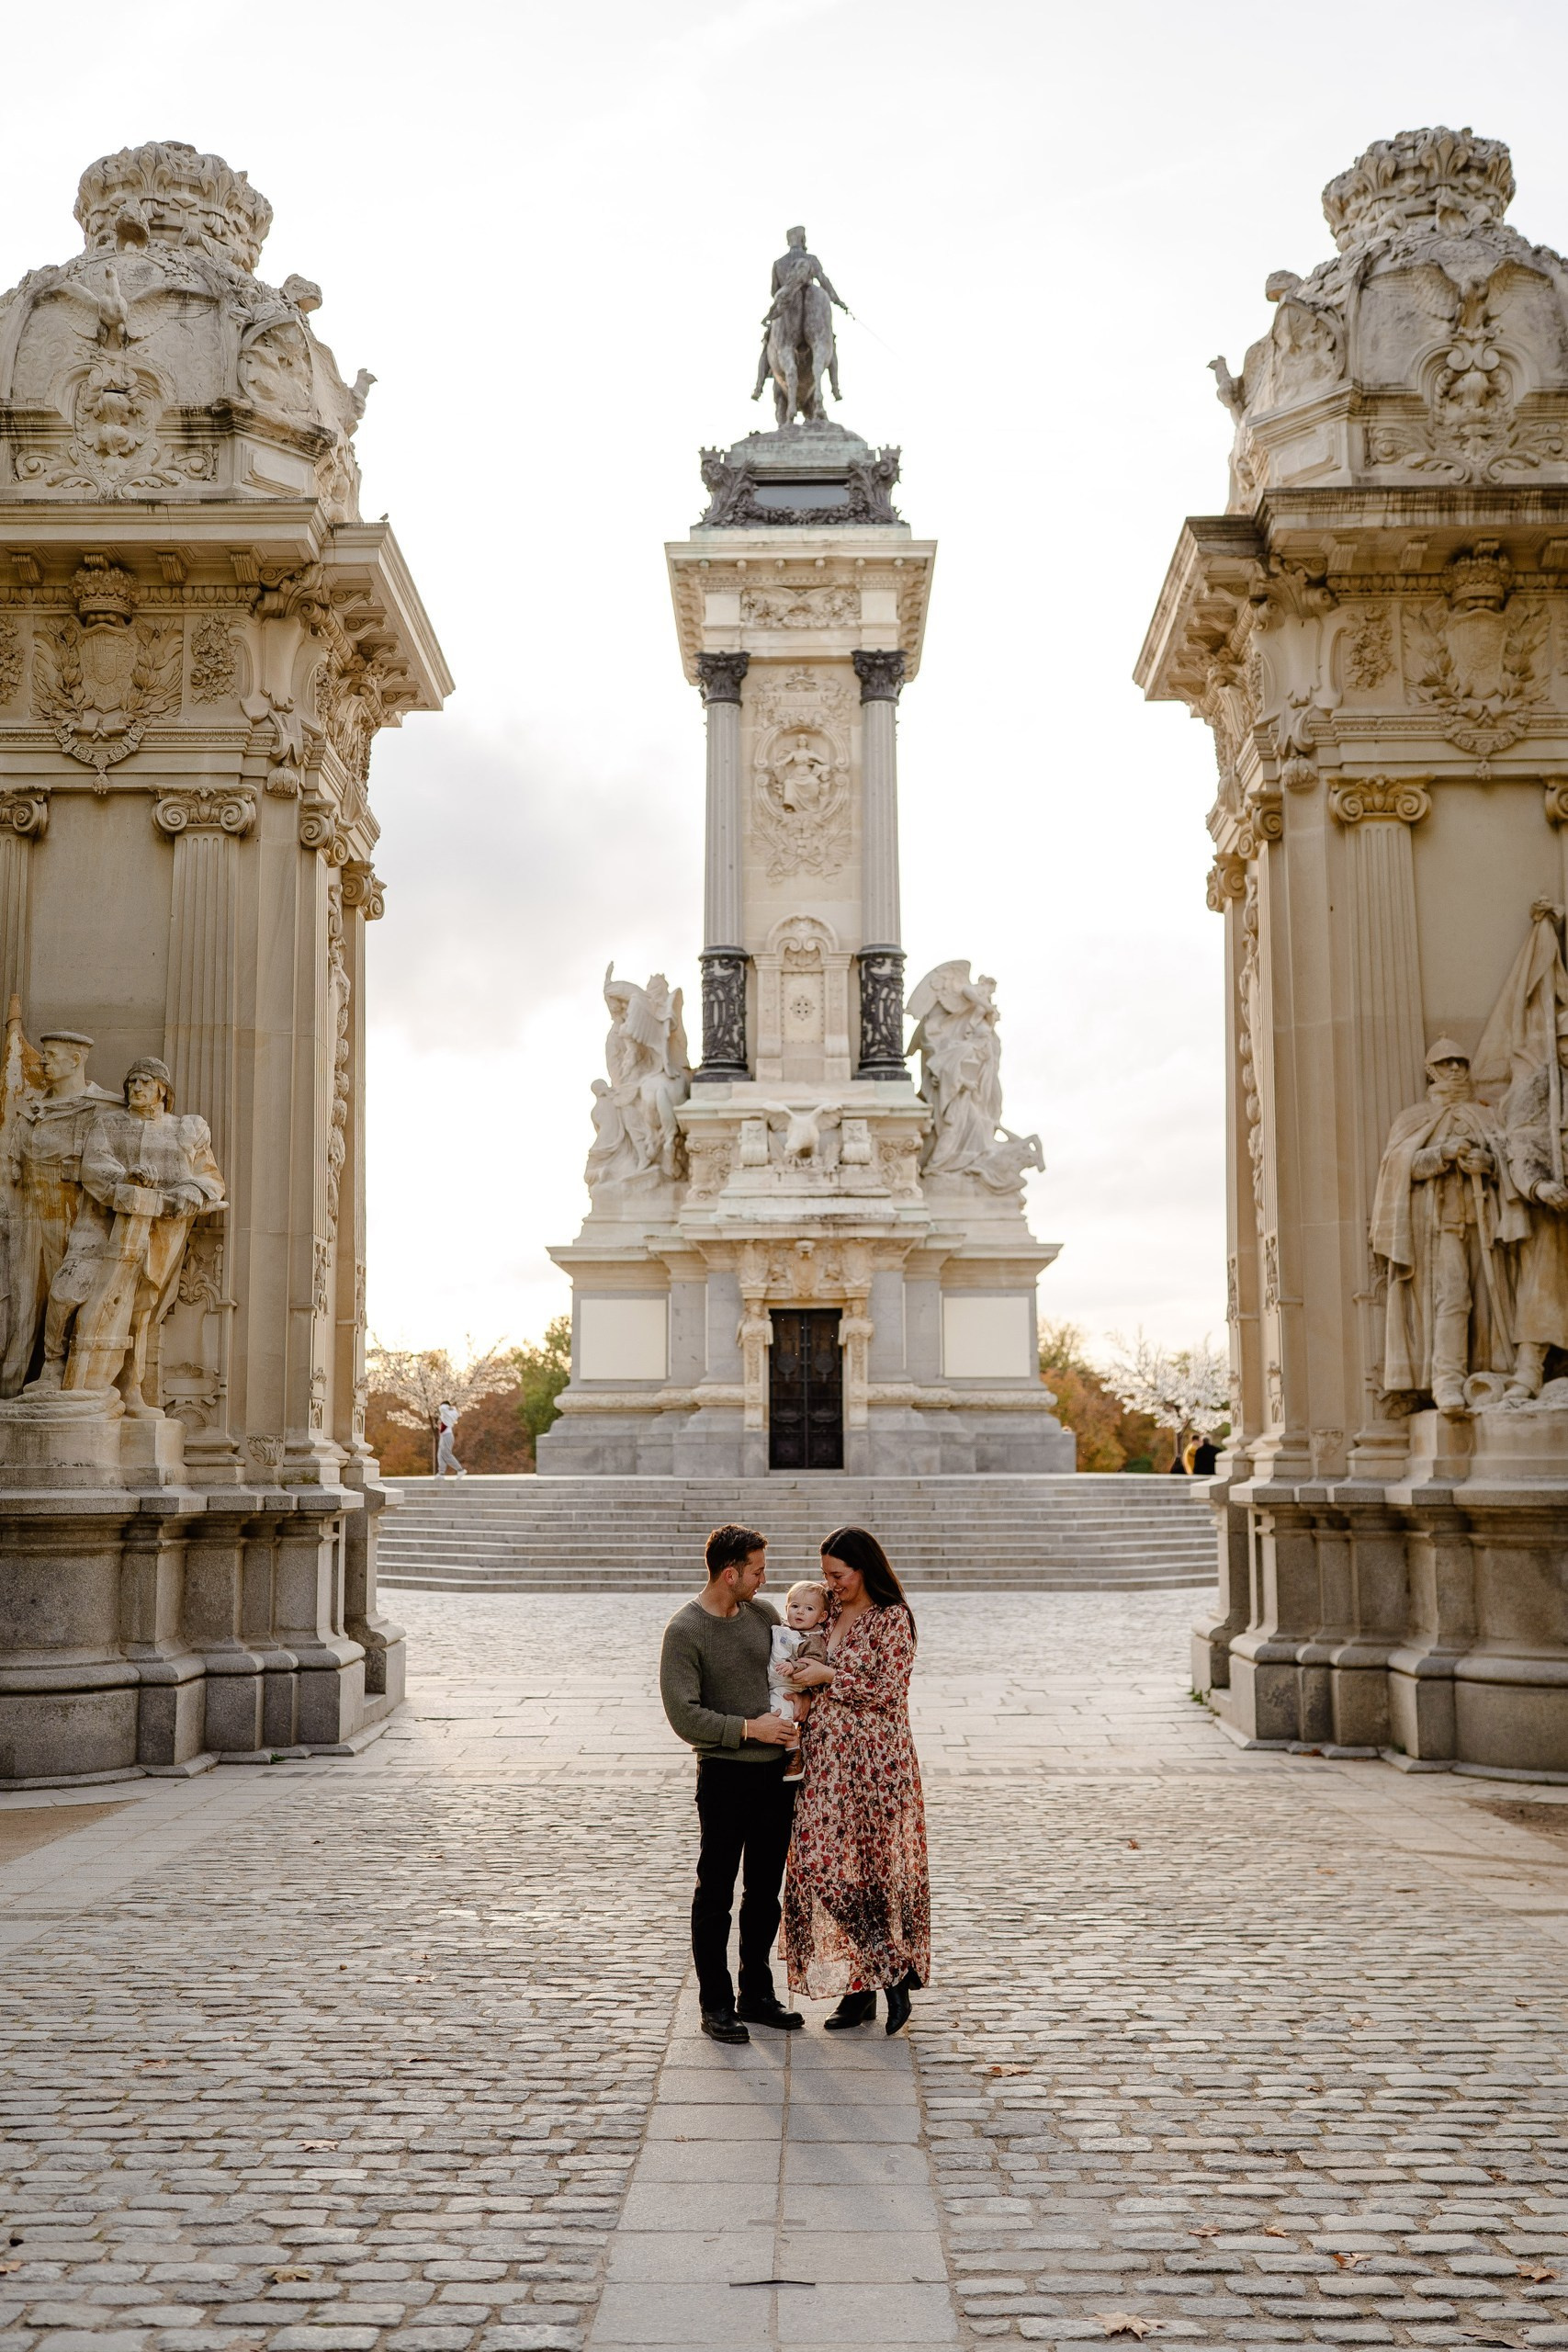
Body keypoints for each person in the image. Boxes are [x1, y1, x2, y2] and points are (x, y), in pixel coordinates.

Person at [782, 1525, 931, 2038]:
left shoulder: (892, 1619)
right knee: (819, 1867)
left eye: (838, 1575)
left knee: (870, 1873)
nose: (831, 1584)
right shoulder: (825, 1614)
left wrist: (826, 1678)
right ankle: (889, 1969)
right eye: (825, 1575)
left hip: (877, 1765)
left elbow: (889, 1689)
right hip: (826, 1763)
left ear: (864, 1568)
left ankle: (864, 1988)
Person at [659, 1522, 800, 2045]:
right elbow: (684, 1716)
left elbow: (790, 1668)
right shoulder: (686, 1630)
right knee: (715, 1891)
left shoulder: (762, 1615)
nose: (765, 1579)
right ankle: (715, 2003)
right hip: (723, 1776)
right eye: (757, 1571)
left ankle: (757, 1994)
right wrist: (748, 1728)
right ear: (729, 1573)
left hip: (776, 1776)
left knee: (765, 1892)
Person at [769, 1579, 831, 1786]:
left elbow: (814, 1661)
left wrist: (793, 1666)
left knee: (781, 1713)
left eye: (809, 1609)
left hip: (789, 1685)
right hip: (774, 1679)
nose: (800, 1612)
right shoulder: (784, 1628)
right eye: (795, 1606)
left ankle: (794, 1755)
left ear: (822, 1617)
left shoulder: (813, 1638)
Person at [435, 1400, 465, 1476]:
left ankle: (460, 1470)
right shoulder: (449, 1413)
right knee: (440, 1454)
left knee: (446, 1454)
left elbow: (442, 1408)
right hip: (444, 1435)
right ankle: (441, 1472)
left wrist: (449, 1407)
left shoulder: (448, 1412)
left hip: (447, 1435)